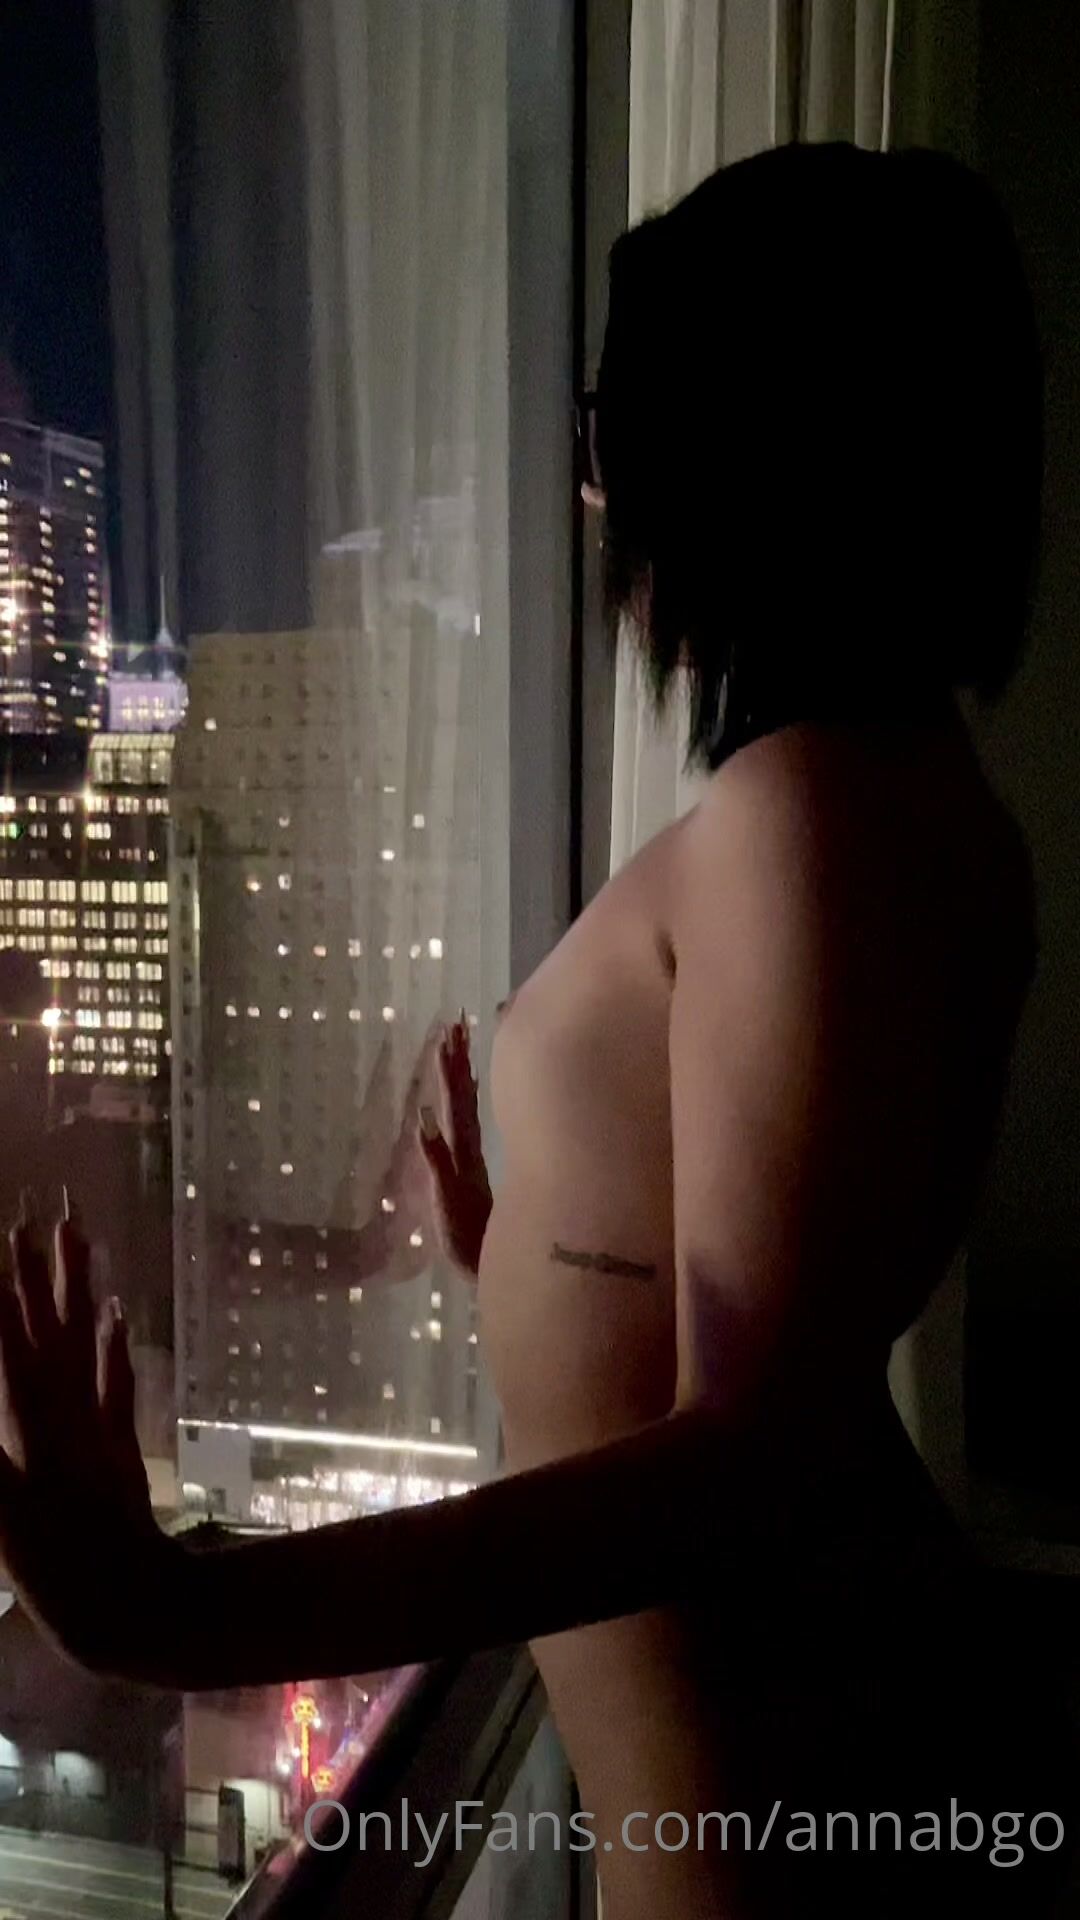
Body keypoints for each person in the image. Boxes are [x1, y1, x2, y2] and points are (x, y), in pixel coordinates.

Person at [0, 141, 1075, 1917]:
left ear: (747, 445)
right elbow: (788, 1303)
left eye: (609, 425)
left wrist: (173, 1614)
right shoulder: (891, 803)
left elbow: (748, 1461)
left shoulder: (812, 817)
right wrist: (543, 1257)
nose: (590, 490)